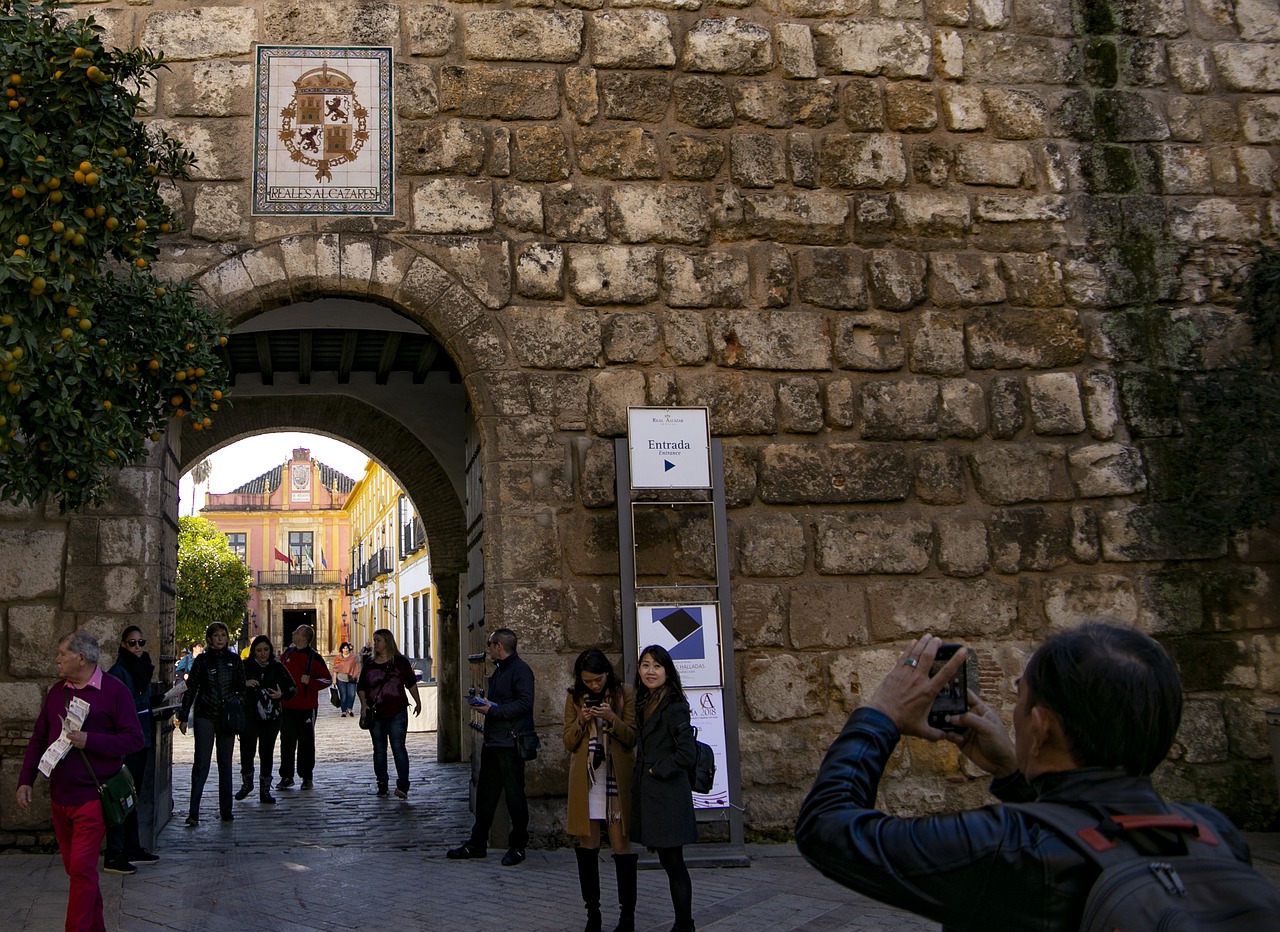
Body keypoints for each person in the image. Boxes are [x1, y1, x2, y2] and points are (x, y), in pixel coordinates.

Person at [794, 624, 1255, 931]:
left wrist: (881, 715)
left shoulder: (1005, 847)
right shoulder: (1214, 832)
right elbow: (1091, 831)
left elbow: (827, 829)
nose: (1013, 710)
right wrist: (1015, 773)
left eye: (1021, 696)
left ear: (1040, 728)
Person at [16, 631, 144, 932]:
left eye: (62, 653)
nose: (57, 659)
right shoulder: (56, 692)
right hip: (60, 797)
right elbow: (38, 739)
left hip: (92, 798)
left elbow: (134, 739)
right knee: (77, 872)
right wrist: (26, 780)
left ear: (81, 658)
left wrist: (91, 740)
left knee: (82, 870)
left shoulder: (114, 691)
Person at [447, 627, 535, 866]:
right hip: (495, 741)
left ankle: (518, 845)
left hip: (510, 742)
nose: (488, 650)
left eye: (490, 645)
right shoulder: (501, 671)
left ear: (499, 647)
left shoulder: (520, 670)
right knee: (486, 795)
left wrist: (493, 710)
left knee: (515, 796)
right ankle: (477, 843)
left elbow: (525, 703)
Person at [563, 649, 637, 932]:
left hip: (615, 781)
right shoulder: (574, 697)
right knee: (588, 847)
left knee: (621, 847)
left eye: (598, 680)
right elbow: (568, 742)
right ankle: (592, 914)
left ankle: (627, 916)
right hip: (588, 782)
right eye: (588, 681)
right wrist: (582, 720)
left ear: (607, 673)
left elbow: (631, 737)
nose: (594, 685)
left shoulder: (624, 694)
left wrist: (611, 718)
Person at [631, 645, 698, 932]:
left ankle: (684, 924)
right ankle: (684, 923)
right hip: (652, 795)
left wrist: (655, 769)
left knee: (674, 862)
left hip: (668, 794)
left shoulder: (674, 706)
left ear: (667, 671)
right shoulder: (644, 702)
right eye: (645, 665)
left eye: (657, 666)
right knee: (668, 861)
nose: (650, 671)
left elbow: (687, 753)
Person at [103, 626, 160, 874]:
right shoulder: (118, 673)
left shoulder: (143, 670)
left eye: (140, 642)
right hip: (125, 742)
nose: (137, 647)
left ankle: (132, 846)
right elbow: (116, 707)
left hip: (141, 739)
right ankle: (114, 852)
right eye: (132, 643)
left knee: (132, 794)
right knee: (119, 795)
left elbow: (141, 700)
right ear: (123, 645)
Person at [177, 622, 247, 824]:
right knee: (201, 764)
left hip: (226, 716)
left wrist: (236, 704)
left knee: (225, 764)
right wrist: (183, 716)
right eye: (216, 635)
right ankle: (193, 812)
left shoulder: (234, 661)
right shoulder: (202, 661)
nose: (220, 639)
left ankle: (226, 810)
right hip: (205, 714)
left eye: (223, 635)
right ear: (210, 638)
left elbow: (241, 689)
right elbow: (191, 689)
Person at [357, 628, 423, 798]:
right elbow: (361, 687)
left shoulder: (400, 662)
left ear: (387, 642)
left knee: (398, 747)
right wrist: (364, 705)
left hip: (397, 711)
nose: (375, 644)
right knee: (379, 749)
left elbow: (410, 683)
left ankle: (403, 785)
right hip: (376, 712)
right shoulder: (369, 664)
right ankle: (382, 783)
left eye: (378, 640)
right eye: (374, 640)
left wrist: (418, 701)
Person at [234, 635, 296, 805]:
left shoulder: (277, 667)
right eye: (259, 650)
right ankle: (247, 784)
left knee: (266, 752)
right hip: (249, 715)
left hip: (271, 716)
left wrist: (280, 695)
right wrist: (245, 684)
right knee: (247, 750)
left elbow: (292, 688)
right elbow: (233, 685)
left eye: (266, 650)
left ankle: (265, 790)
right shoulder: (245, 666)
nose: (263, 654)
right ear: (253, 651)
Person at [278, 624, 331, 791]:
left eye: (297, 632)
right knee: (286, 742)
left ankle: (306, 776)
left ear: (304, 638)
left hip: (307, 707)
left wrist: (311, 682)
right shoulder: (287, 654)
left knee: (306, 743)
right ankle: (286, 776)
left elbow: (327, 679)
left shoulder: (314, 657)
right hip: (287, 706)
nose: (293, 632)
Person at [333, 642, 360, 717]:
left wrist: (356, 675)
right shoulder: (338, 658)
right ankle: (343, 711)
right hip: (341, 678)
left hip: (351, 678)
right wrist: (334, 679)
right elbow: (335, 669)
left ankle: (349, 708)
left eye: (347, 648)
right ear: (341, 649)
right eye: (344, 648)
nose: (345, 650)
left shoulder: (353, 657)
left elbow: (357, 667)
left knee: (352, 694)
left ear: (349, 649)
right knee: (343, 696)